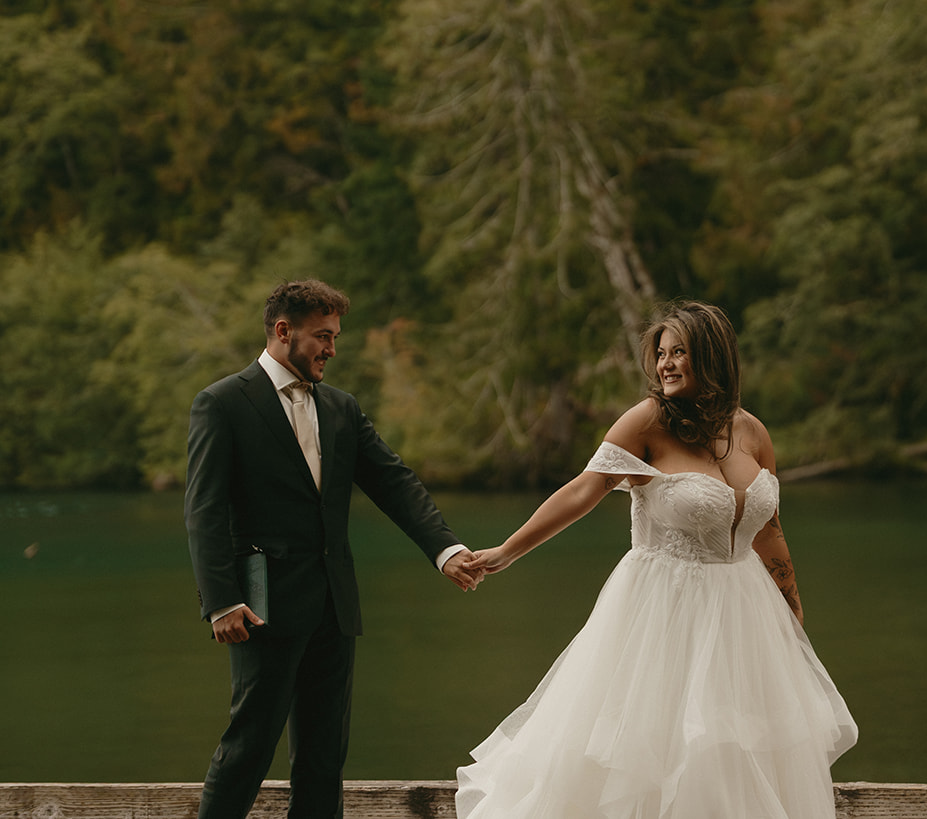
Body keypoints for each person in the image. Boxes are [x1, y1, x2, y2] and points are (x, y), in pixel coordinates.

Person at [455, 300, 857, 819]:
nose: (665, 364)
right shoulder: (647, 422)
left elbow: (770, 530)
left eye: (680, 352)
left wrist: (791, 610)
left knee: (735, 749)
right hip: (662, 612)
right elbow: (584, 490)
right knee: (660, 749)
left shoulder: (752, 432)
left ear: (713, 357)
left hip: (746, 613)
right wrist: (508, 551)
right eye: (661, 354)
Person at [184, 279, 485, 819]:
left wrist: (445, 550)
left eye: (335, 336)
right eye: (322, 336)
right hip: (260, 606)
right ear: (283, 331)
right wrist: (220, 600)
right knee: (249, 747)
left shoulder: (342, 408)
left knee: (323, 759)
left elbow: (394, 482)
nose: (332, 348)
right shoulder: (222, 403)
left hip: (334, 605)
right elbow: (203, 510)